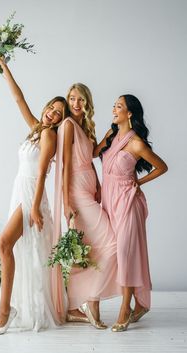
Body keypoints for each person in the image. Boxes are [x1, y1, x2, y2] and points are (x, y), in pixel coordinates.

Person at [0, 57, 69, 334]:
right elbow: (18, 99)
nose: (52, 114)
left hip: (31, 194)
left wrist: (34, 207)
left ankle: (4, 310)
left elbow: (43, 172)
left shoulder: (49, 137)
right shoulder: (37, 129)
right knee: (8, 247)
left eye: (59, 113)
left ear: (61, 120)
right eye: (51, 108)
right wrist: (5, 68)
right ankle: (6, 308)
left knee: (3, 244)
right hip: (19, 189)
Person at [94, 94, 168, 332]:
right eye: (114, 105)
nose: (114, 109)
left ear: (130, 113)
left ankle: (125, 308)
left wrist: (140, 183)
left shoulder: (136, 143)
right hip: (109, 202)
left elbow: (162, 167)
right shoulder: (112, 136)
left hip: (128, 203)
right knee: (115, 254)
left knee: (126, 256)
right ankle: (139, 304)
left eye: (119, 106)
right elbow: (94, 154)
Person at [52, 83, 121, 329]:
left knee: (89, 249)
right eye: (72, 99)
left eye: (80, 99)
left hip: (89, 190)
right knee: (111, 242)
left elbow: (91, 154)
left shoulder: (83, 126)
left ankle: (74, 305)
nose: (76, 104)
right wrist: (66, 203)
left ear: (87, 102)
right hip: (76, 193)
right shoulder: (68, 125)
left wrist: (99, 183)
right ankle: (91, 301)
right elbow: (65, 165)